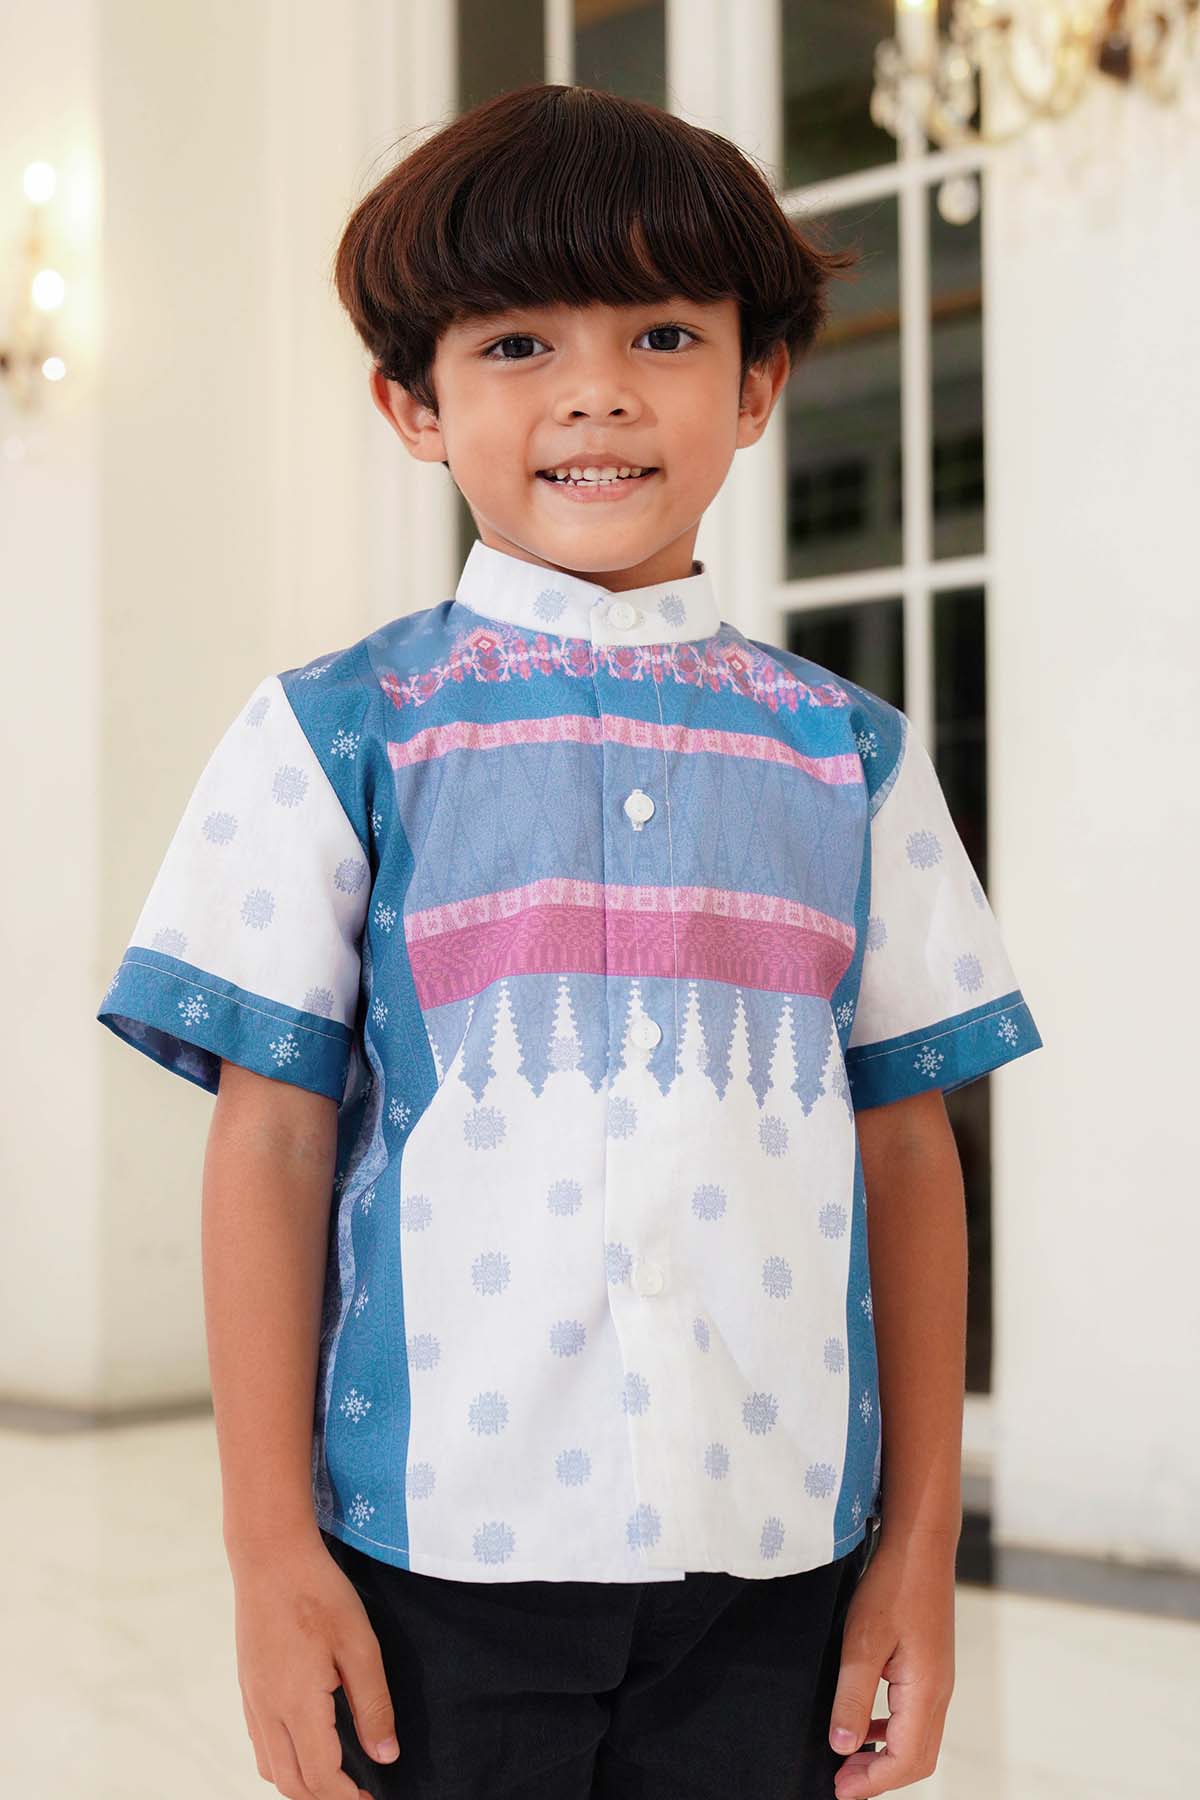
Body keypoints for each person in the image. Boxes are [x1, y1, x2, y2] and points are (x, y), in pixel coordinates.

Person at [96, 81, 1043, 1800]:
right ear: (413, 403)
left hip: (779, 1563)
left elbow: (908, 1150)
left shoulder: (854, 759)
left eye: (664, 334)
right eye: (518, 343)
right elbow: (274, 1138)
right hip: (431, 1561)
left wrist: (916, 1550)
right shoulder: (335, 734)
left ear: (756, 384)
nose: (597, 390)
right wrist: (268, 1553)